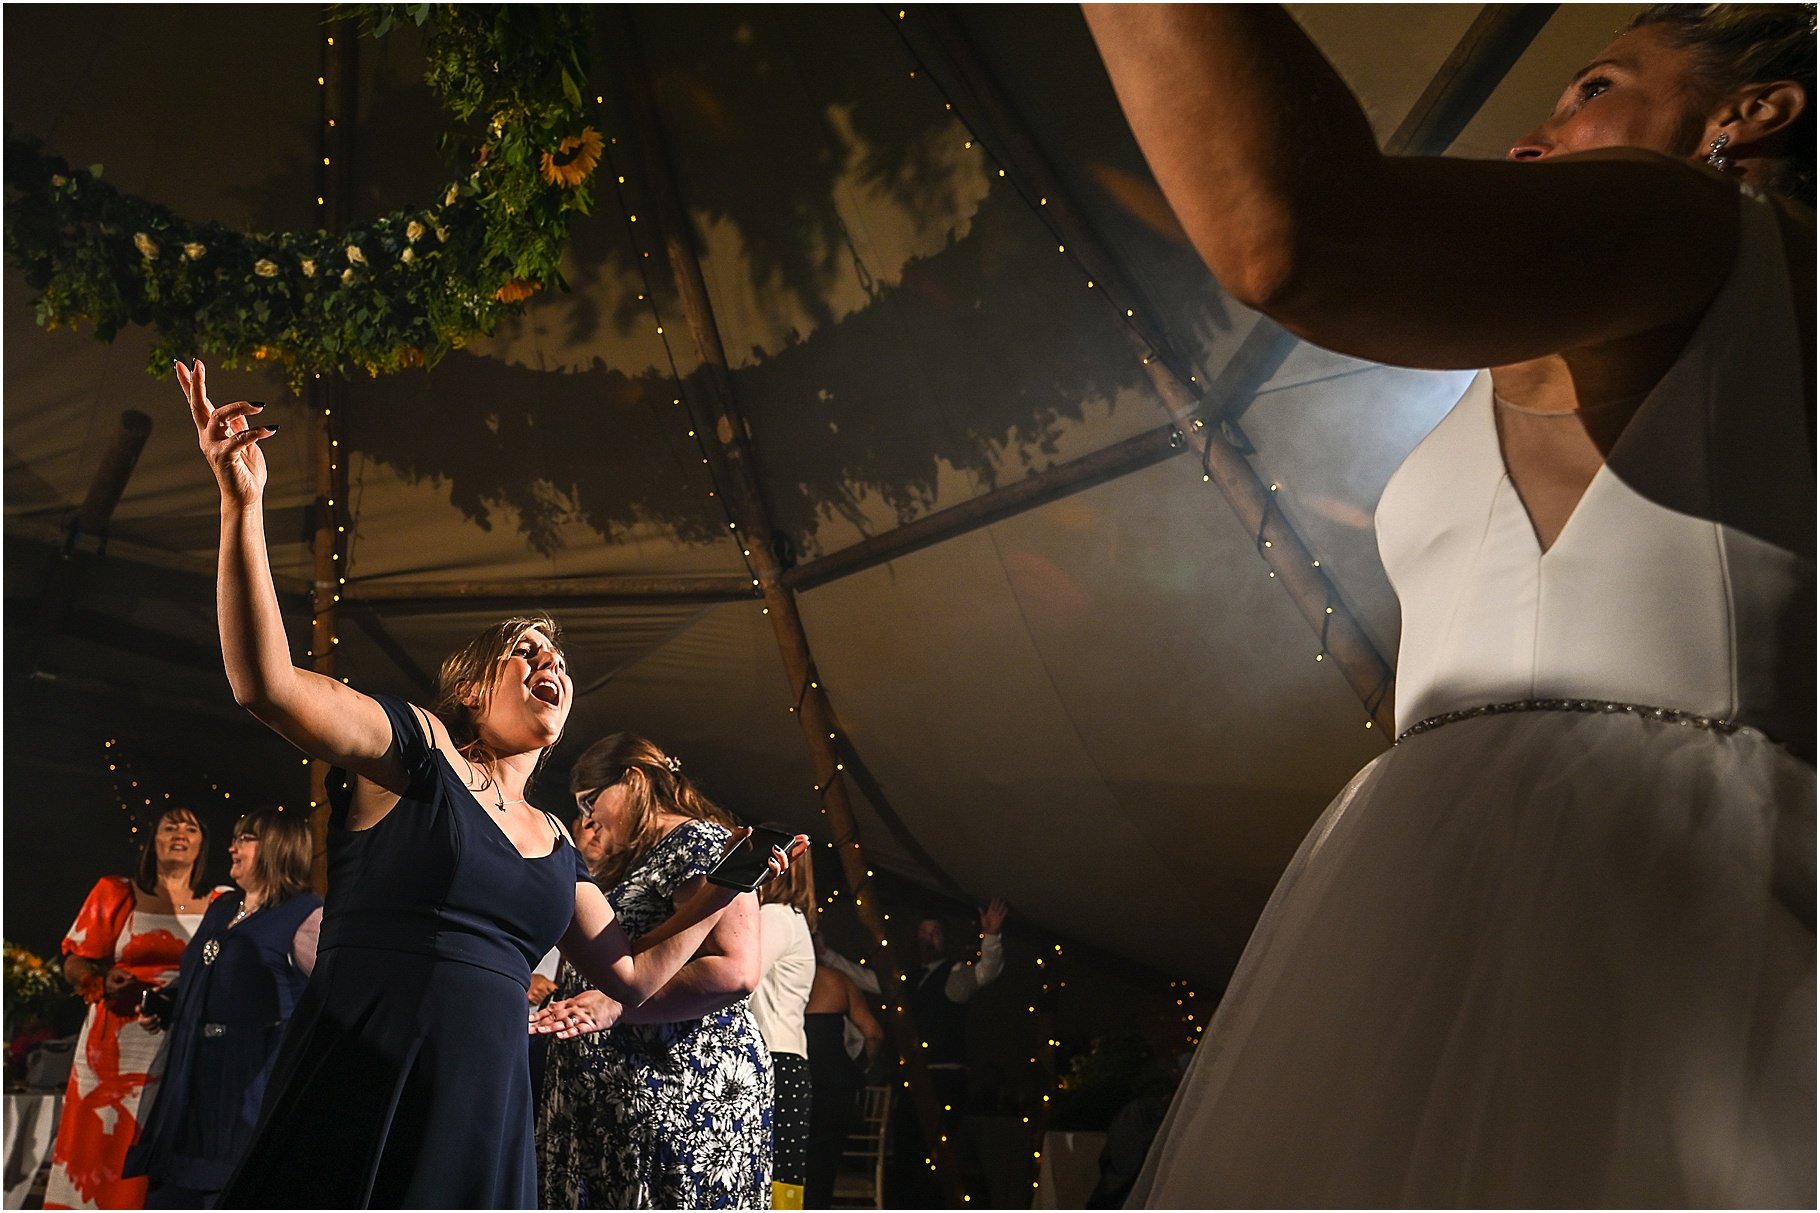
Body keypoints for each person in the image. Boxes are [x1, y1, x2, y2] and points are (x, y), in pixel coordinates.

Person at [1082, 4, 1813, 1205]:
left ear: (1750, 110)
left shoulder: (1696, 223)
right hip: (1504, 887)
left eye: (1589, 87)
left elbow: (1299, 234)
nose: (1531, 138)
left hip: (1615, 888)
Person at [174, 358, 806, 1208]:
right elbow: (268, 684)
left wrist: (727, 884)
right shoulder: (419, 750)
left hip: (487, 1111)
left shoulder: (555, 842)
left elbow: (630, 977)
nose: (551, 663)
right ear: (474, 688)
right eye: (528, 652)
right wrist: (241, 507)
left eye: (561, 661)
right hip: (366, 1073)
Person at [534, 734, 775, 1209]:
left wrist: (617, 1006)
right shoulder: (637, 859)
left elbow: (734, 969)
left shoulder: (698, 842)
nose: (587, 819)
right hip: (622, 1097)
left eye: (590, 799)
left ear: (633, 780)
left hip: (679, 1091)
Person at [122, 807, 324, 1208]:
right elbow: (204, 979)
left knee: (228, 1191)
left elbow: (335, 1001)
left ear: (277, 847)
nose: (232, 848)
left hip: (247, 1083)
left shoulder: (306, 916)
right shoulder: (223, 908)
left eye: (244, 839)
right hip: (192, 1076)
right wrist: (166, 1004)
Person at [45, 806, 219, 1210]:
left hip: (178, 1043)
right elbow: (73, 959)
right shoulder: (115, 891)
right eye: (169, 826)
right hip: (112, 1045)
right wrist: (100, 979)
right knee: (100, 1142)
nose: (180, 833)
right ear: (152, 842)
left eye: (191, 828)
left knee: (154, 1145)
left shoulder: (220, 902)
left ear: (202, 845)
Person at [752, 838, 818, 1208]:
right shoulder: (792, 917)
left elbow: (741, 975)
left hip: (777, 1059)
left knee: (773, 1180)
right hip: (789, 1060)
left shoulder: (776, 916)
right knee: (783, 1180)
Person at [803, 946, 886, 1210]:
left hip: (796, 1080)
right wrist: (858, 1067)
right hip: (836, 1082)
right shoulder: (837, 979)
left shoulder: (778, 977)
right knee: (824, 1167)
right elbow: (874, 1033)